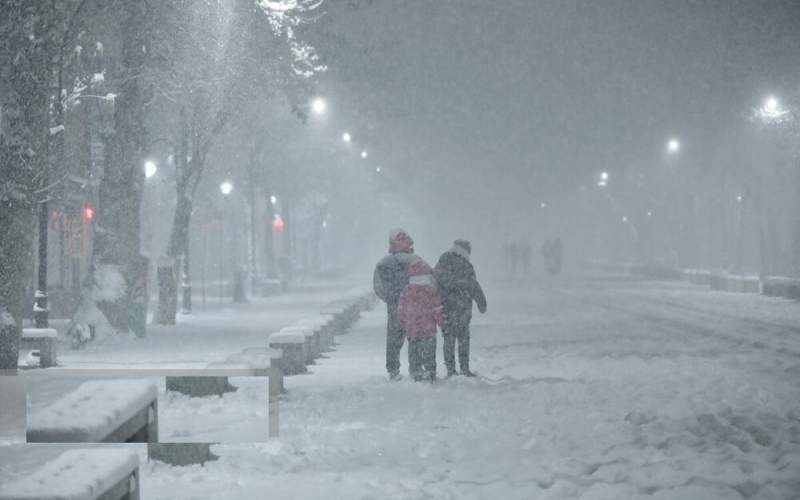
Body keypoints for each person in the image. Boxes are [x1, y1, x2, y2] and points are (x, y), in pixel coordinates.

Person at [434, 239, 487, 377]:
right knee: (463, 338)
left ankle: (451, 370)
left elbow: (436, 279)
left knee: (448, 339)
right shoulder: (467, 265)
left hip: (446, 306)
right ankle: (464, 369)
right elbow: (474, 285)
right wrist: (481, 302)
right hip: (463, 307)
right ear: (466, 251)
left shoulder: (443, 260)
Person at [373, 228, 417, 380]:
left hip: (394, 306)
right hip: (413, 306)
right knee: (414, 337)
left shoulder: (383, 264)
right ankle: (415, 368)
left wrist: (391, 298)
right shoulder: (417, 261)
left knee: (393, 338)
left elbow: (378, 288)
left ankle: (393, 370)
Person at [399, 257, 445, 382]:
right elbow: (437, 309)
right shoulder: (431, 291)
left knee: (414, 352)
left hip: (412, 330)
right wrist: (442, 323)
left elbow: (402, 310)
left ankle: (415, 372)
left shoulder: (406, 291)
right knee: (429, 353)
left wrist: (403, 322)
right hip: (428, 329)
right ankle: (430, 372)